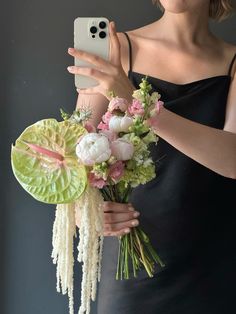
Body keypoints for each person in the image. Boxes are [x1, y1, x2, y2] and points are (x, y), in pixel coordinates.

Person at [67, 1, 236, 313]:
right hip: (132, 274)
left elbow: (232, 159)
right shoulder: (116, 49)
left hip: (215, 272)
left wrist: (138, 103)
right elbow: (72, 161)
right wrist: (88, 211)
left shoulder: (233, 62)